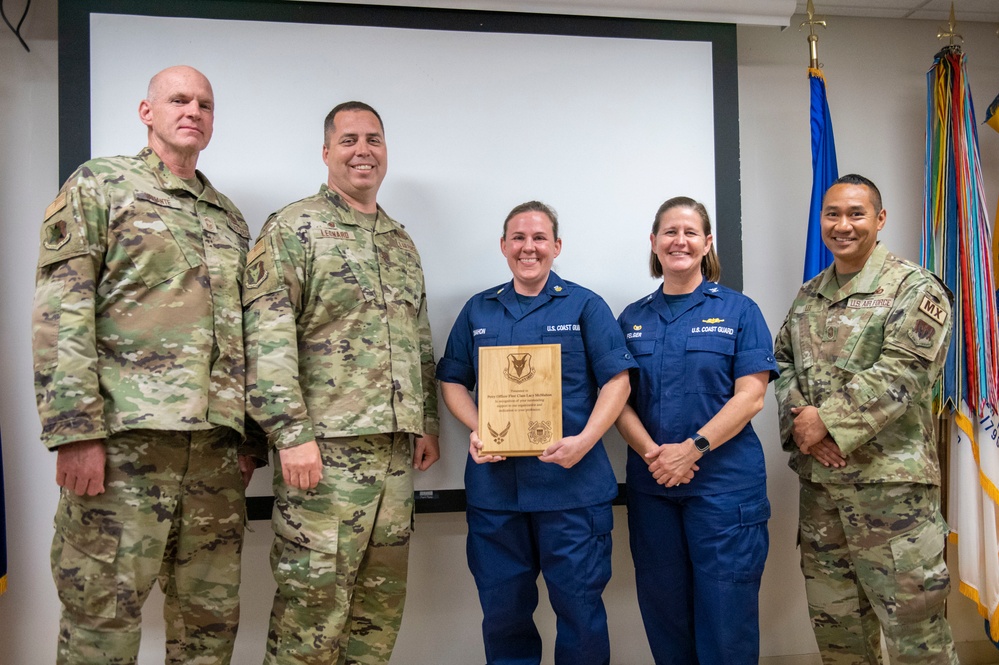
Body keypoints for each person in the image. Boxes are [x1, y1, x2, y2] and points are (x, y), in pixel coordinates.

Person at [32, 65, 258, 665]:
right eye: (179, 99)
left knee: (208, 628)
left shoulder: (230, 218)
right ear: (146, 111)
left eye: (205, 104)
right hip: (125, 449)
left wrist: (249, 439)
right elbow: (62, 310)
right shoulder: (100, 185)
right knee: (100, 623)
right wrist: (76, 432)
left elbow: (245, 334)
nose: (193, 111)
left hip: (213, 456)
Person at [243, 101, 440, 665]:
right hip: (324, 455)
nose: (363, 151)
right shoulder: (293, 227)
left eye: (374, 140)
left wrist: (425, 422)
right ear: (326, 152)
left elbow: (417, 338)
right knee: (312, 609)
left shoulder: (400, 241)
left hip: (394, 458)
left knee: (377, 613)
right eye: (349, 140)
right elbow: (267, 338)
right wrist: (289, 434)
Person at [436, 201, 636, 665]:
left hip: (572, 491)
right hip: (496, 494)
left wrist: (585, 441)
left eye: (540, 238)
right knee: (503, 615)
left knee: (581, 614)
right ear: (504, 247)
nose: (529, 247)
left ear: (556, 246)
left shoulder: (586, 305)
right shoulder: (478, 308)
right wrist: (479, 427)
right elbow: (452, 380)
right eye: (519, 238)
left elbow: (617, 381)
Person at [774, 174, 958, 664]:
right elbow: (783, 364)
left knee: (917, 639)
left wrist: (827, 423)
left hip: (892, 498)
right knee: (840, 638)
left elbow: (906, 370)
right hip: (823, 496)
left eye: (856, 213)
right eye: (832, 214)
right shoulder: (809, 295)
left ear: (879, 219)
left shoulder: (915, 288)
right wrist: (806, 432)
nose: (843, 225)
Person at [615, 196, 777, 664]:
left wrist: (692, 449)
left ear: (707, 243)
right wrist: (655, 456)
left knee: (727, 620)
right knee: (665, 616)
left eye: (690, 232)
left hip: (724, 491)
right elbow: (618, 400)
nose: (679, 240)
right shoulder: (632, 318)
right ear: (654, 242)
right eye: (669, 231)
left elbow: (751, 396)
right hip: (653, 487)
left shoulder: (740, 311)